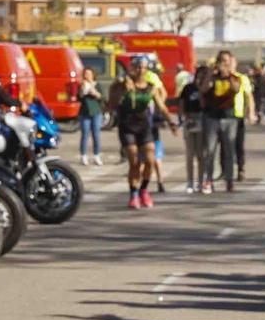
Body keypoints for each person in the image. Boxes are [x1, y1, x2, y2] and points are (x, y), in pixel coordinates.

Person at [112, 55, 176, 208]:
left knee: (150, 161)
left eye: (144, 67)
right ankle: (133, 194)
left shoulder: (151, 87)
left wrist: (171, 122)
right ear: (132, 68)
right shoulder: (123, 84)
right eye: (138, 67)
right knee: (134, 162)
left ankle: (144, 190)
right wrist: (122, 91)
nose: (141, 70)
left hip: (144, 126)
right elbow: (111, 103)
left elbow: (161, 107)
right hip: (127, 127)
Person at [201, 51, 245, 193]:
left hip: (229, 118)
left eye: (226, 61)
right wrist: (210, 72)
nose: (223, 64)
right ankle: (208, 180)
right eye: (221, 61)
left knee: (229, 150)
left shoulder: (235, 78)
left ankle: (229, 180)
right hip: (212, 118)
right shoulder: (212, 78)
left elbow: (236, 89)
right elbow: (203, 89)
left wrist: (229, 73)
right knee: (210, 151)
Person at [177, 64, 211, 193]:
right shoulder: (188, 88)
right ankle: (190, 182)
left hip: (202, 120)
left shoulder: (207, 90)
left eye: (204, 75)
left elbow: (205, 105)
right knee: (190, 154)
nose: (201, 78)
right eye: (200, 74)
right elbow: (181, 103)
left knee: (201, 154)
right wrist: (182, 119)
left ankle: (201, 181)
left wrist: (202, 91)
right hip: (190, 121)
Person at [77, 65, 104, 166]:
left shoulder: (97, 85)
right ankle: (83, 156)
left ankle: (96, 156)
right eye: (85, 74)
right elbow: (79, 97)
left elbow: (103, 97)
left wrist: (94, 91)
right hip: (84, 113)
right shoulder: (82, 85)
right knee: (85, 135)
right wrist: (83, 89)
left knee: (96, 135)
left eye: (88, 74)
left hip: (96, 113)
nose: (87, 76)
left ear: (93, 75)